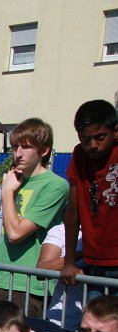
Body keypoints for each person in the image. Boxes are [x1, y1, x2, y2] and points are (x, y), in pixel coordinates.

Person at [0, 118, 69, 315]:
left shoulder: (55, 185)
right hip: (0, 280)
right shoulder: (15, 181)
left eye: (26, 147)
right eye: (15, 147)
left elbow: (15, 234)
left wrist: (6, 192)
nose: (18, 154)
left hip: (28, 285)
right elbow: (4, 238)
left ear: (44, 150)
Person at [61, 100, 118, 297]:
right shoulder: (79, 155)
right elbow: (72, 211)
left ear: (115, 132)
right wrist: (69, 261)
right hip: (95, 261)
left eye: (99, 137)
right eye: (85, 139)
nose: (92, 145)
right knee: (97, 324)